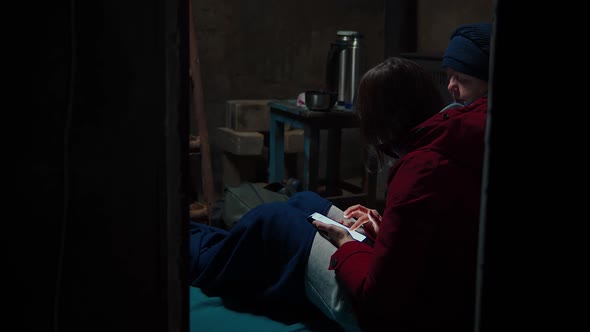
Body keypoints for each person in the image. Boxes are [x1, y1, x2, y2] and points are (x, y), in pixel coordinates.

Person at [190, 22, 492, 332]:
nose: (452, 87)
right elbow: (433, 237)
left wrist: (347, 243)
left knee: (275, 221)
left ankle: (196, 253)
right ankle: (209, 243)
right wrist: (385, 227)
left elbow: (378, 296)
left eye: (463, 79)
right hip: (417, 286)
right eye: (450, 76)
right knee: (305, 202)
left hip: (391, 313)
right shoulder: (465, 136)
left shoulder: (427, 164)